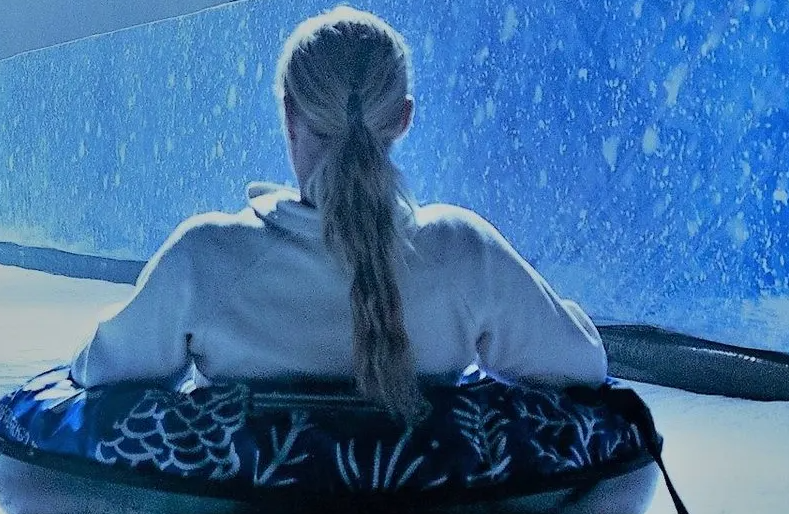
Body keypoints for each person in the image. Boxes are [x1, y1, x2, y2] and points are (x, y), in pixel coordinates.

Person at [68, 5, 606, 420]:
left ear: (289, 116)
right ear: (402, 119)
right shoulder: (462, 250)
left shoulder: (206, 257)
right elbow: (582, 367)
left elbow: (99, 373)